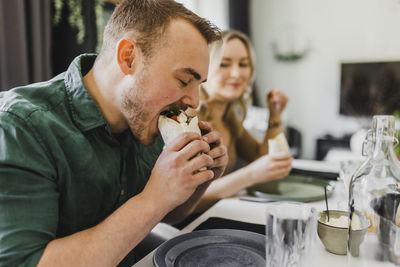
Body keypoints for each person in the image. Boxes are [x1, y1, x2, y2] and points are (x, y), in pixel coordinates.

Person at [0, 1, 228, 266]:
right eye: (183, 80)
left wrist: (200, 180)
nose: (194, 101)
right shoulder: (21, 128)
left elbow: (168, 215)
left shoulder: (146, 119)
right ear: (128, 57)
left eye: (199, 84)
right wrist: (153, 198)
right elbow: (24, 262)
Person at [192, 30, 293, 212]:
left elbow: (264, 159)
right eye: (224, 64)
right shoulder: (190, 121)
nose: (237, 73)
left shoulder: (231, 120)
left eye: (244, 64)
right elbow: (188, 202)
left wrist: (275, 115)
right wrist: (250, 174)